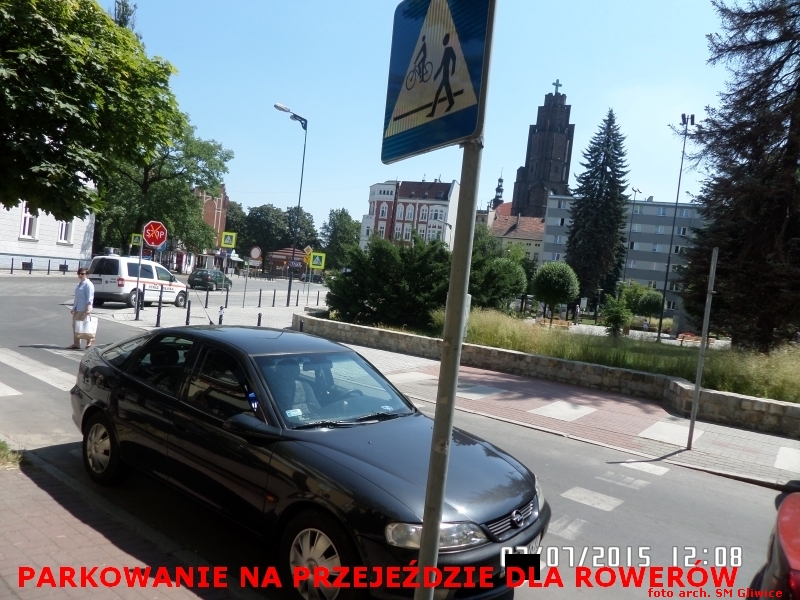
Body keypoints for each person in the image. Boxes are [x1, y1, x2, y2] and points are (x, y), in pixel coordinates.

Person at [68, 267, 95, 350]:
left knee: (79, 325)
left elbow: (89, 298)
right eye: (79, 273)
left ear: (87, 275)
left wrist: (88, 309)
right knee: (76, 326)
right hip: (77, 308)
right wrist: (73, 308)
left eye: (82, 274)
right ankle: (76, 344)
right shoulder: (79, 284)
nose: (80, 275)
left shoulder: (88, 284)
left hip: (84, 308)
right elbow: (77, 297)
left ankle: (90, 339)